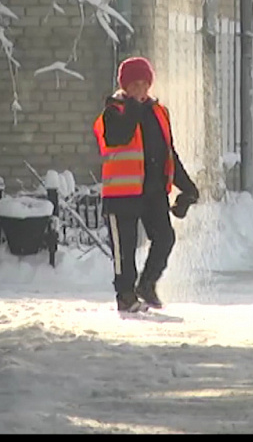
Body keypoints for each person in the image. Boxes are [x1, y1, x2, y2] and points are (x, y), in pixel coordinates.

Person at [92, 56, 199, 313]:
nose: (140, 90)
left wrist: (188, 187)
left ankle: (147, 284)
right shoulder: (113, 112)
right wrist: (132, 107)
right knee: (124, 250)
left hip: (152, 192)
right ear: (125, 86)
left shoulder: (158, 113)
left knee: (165, 238)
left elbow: (168, 154)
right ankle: (126, 295)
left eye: (144, 84)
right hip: (122, 194)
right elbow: (119, 137)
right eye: (134, 85)